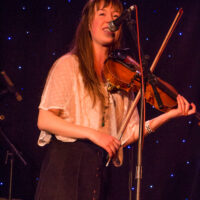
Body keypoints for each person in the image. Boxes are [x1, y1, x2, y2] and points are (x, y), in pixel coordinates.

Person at [34, 0, 196, 199]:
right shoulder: (68, 65)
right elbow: (45, 119)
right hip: (66, 166)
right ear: (88, 24)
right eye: (102, 14)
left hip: (99, 169)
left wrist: (170, 115)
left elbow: (129, 133)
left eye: (115, 15)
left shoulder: (122, 76)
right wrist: (94, 134)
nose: (110, 19)